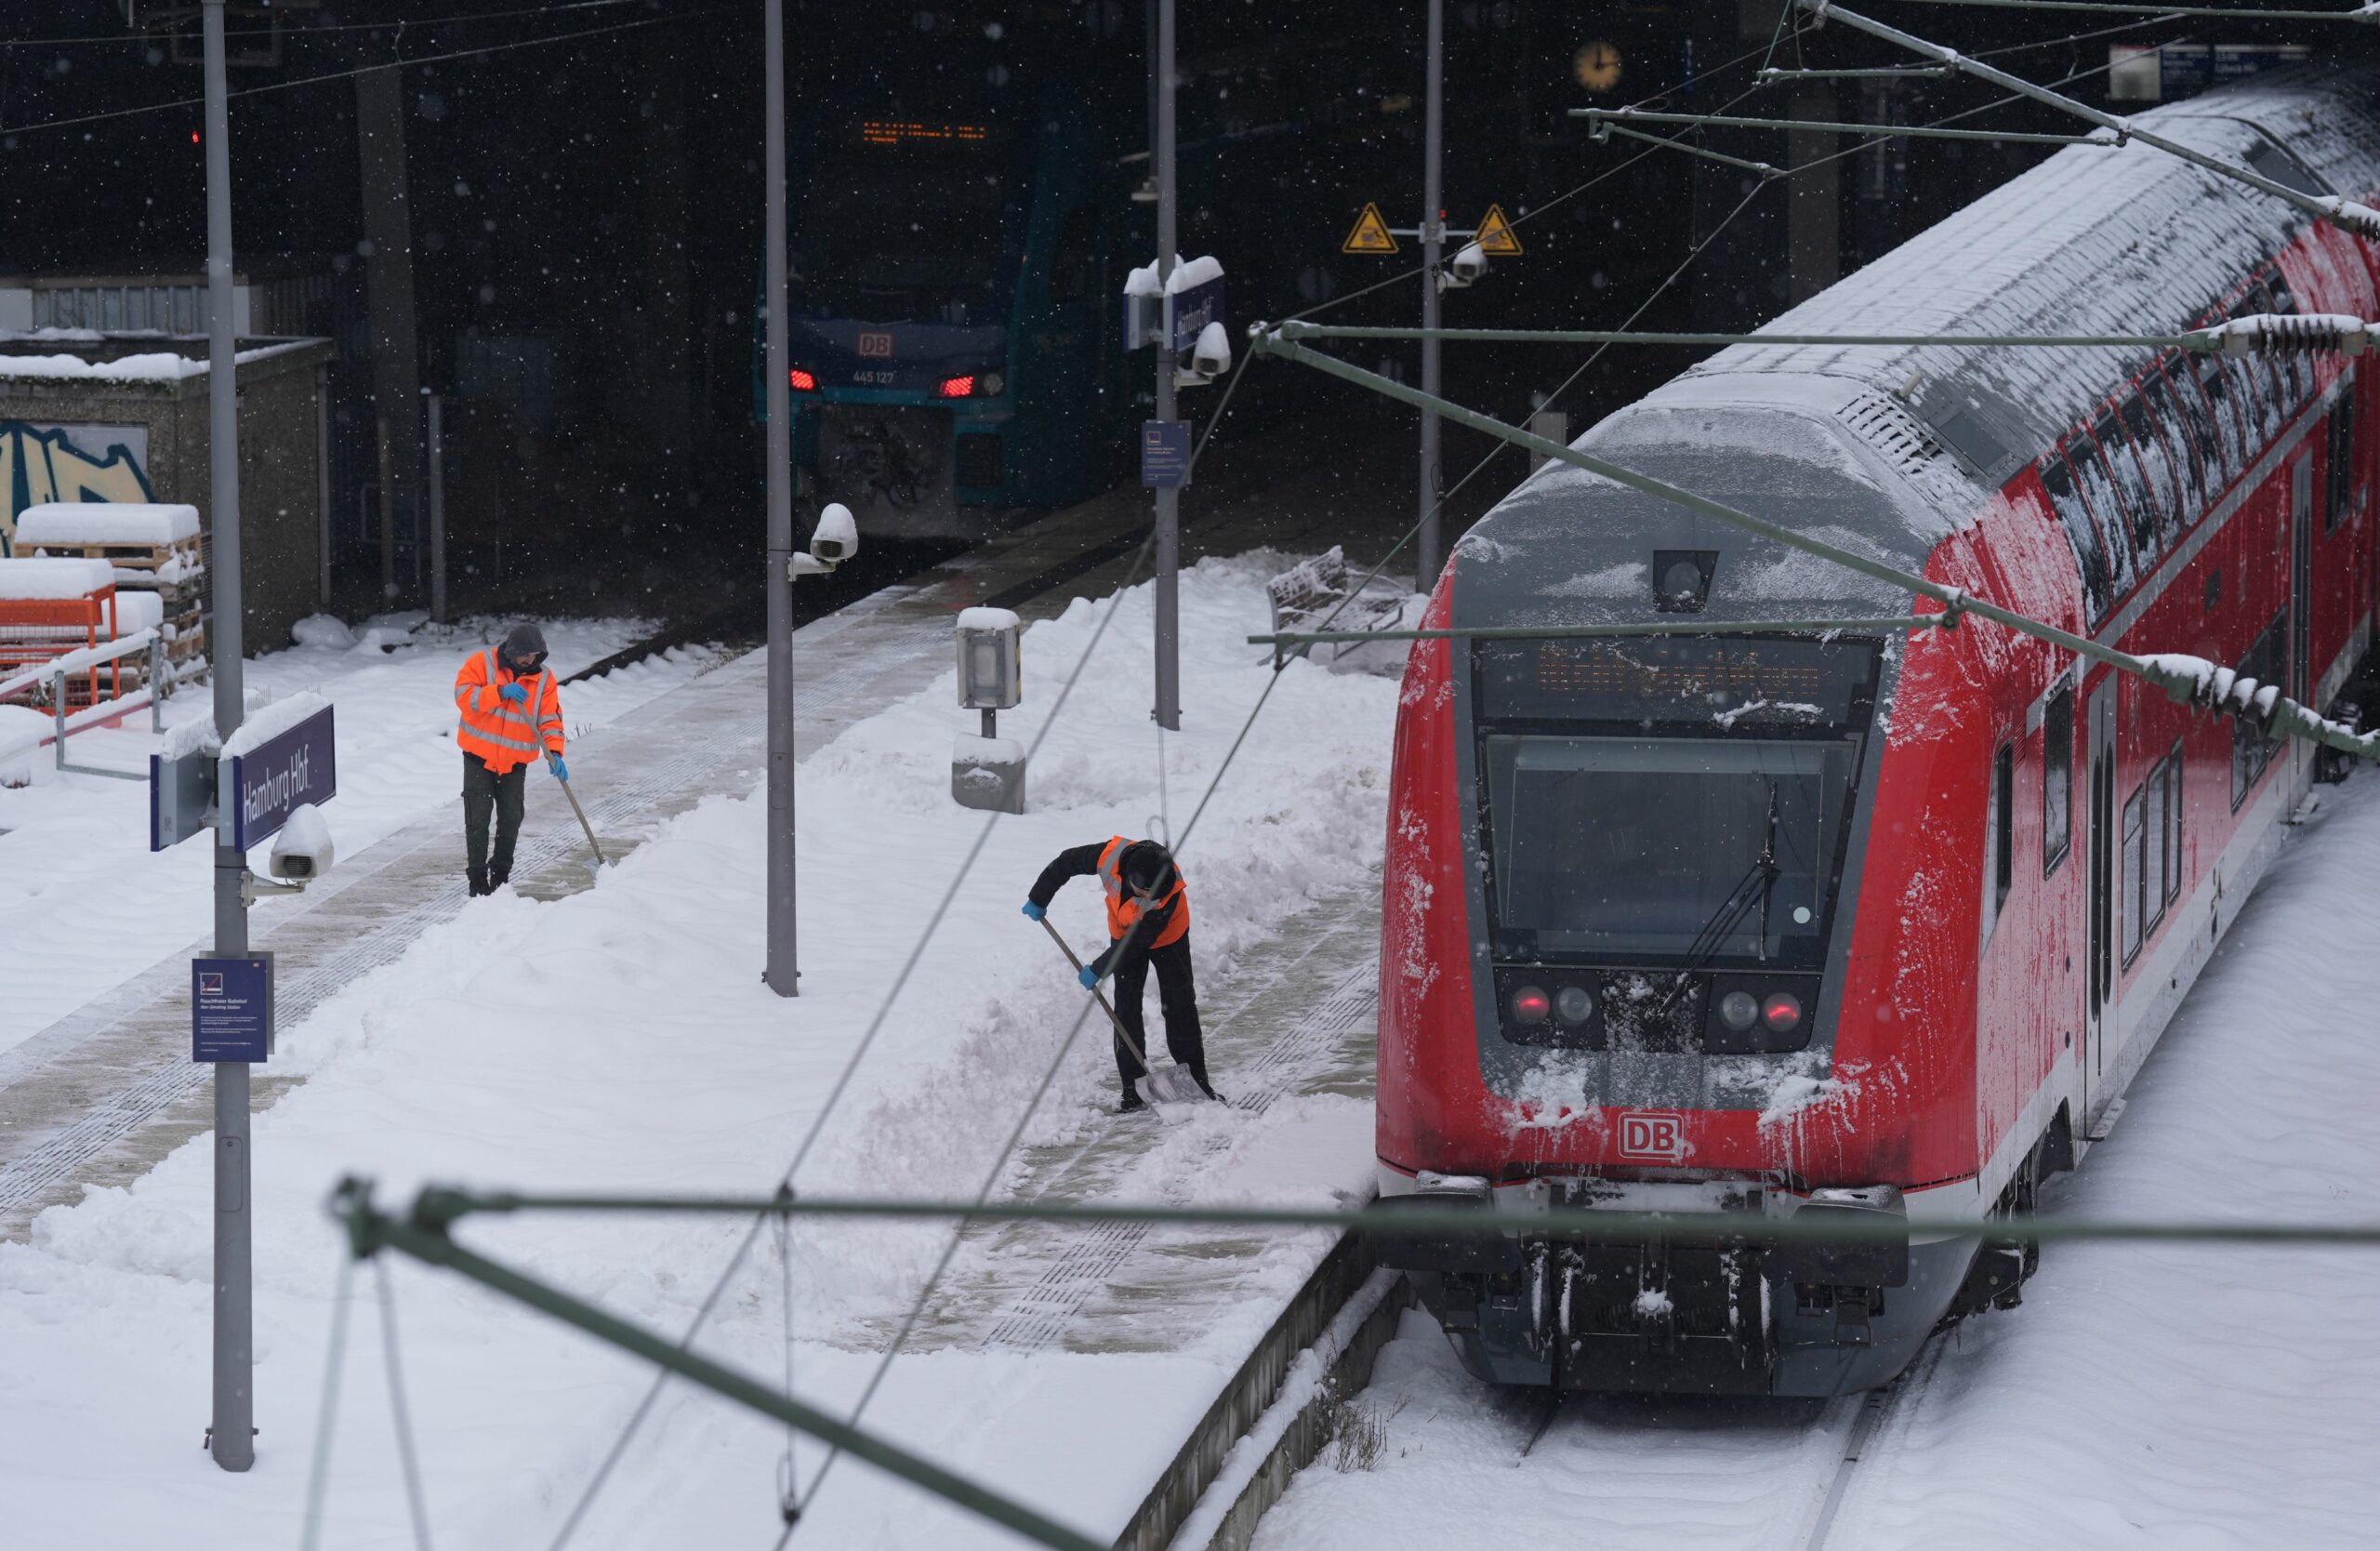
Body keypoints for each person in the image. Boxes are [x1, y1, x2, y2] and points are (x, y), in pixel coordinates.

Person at [1023, 836, 1217, 1112]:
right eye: (1144, 893)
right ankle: (1133, 1088)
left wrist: (1099, 968)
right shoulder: (1110, 857)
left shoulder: (1168, 892)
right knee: (1125, 1009)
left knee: (1178, 1005)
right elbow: (1067, 862)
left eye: (1153, 896)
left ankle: (1197, 1080)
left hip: (1169, 938)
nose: (1149, 899)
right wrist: (1039, 896)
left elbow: (1135, 943)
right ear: (1130, 878)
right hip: (1123, 933)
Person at [453, 622, 567, 895]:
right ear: (511, 651)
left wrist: (555, 752)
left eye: (535, 655)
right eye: (525, 655)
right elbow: (464, 696)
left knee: (511, 819)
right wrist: (499, 692)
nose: (530, 660)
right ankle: (477, 877)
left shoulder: (544, 679)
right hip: (478, 759)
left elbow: (549, 718)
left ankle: (501, 874)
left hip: (515, 763)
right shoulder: (483, 663)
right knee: (477, 820)